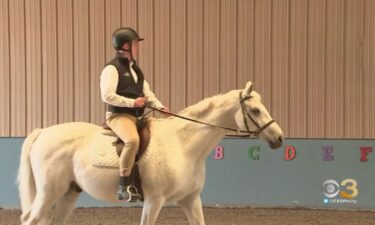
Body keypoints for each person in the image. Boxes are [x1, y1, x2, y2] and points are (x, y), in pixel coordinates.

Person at [100, 27, 168, 201]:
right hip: (119, 116)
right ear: (125, 45)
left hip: (137, 115)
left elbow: (146, 92)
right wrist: (131, 102)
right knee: (132, 140)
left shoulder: (136, 69)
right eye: (135, 43)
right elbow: (107, 95)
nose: (138, 47)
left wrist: (159, 106)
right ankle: (123, 185)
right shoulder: (112, 68)